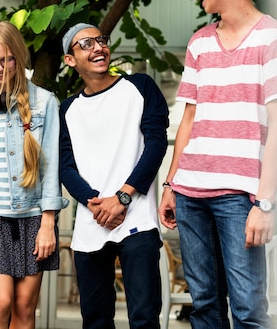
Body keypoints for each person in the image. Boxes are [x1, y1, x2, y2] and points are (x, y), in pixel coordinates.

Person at [158, 0, 277, 329]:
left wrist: (264, 203)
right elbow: (188, 120)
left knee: (249, 310)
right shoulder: (199, 44)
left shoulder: (274, 39)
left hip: (240, 197)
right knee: (204, 307)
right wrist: (171, 184)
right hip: (190, 193)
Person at [59, 22, 169, 329]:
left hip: (136, 220)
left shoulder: (140, 87)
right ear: (70, 60)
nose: (98, 48)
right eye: (86, 44)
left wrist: (122, 197)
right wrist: (95, 203)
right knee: (95, 321)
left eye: (101, 40)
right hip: (91, 224)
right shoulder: (67, 110)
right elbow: (65, 166)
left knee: (145, 319)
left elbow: (156, 144)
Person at [0, 21, 67, 329]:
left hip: (34, 216)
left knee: (24, 307)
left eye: (6, 59)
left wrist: (48, 222)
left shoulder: (45, 103)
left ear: (19, 57)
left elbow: (51, 169)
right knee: (1, 302)